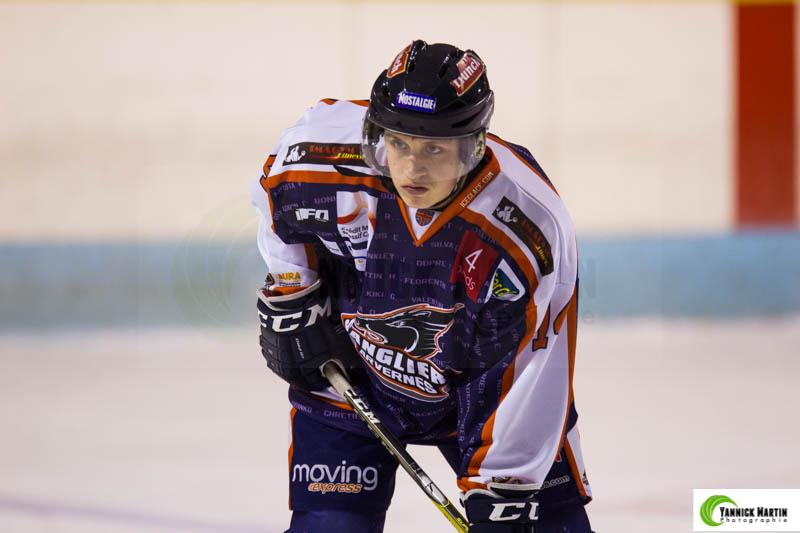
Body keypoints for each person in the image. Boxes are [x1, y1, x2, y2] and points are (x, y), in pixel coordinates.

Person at [251, 40, 593, 533]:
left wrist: (505, 490)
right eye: (399, 144)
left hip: (476, 393)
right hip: (351, 375)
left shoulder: (523, 228)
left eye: (434, 148)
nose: (412, 168)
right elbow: (274, 198)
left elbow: (532, 367)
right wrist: (294, 291)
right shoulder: (320, 156)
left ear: (473, 145)